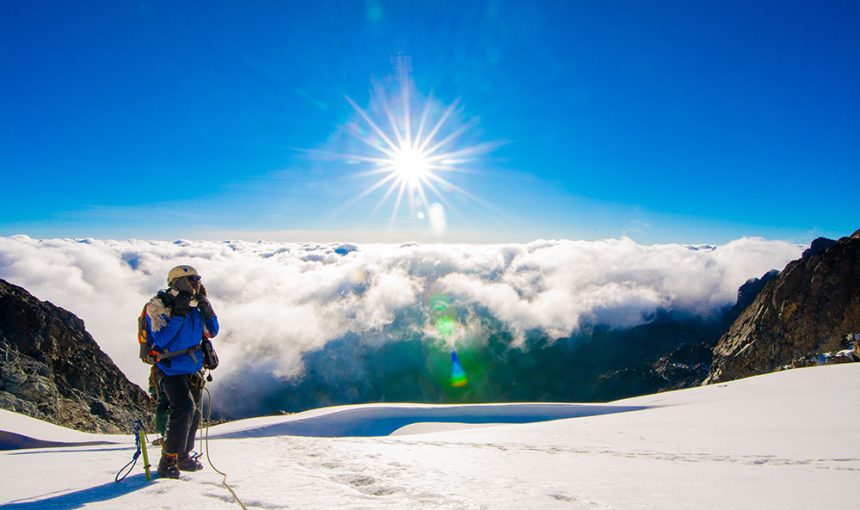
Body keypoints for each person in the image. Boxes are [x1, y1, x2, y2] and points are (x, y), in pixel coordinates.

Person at [145, 265, 219, 479]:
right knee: (184, 408)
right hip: (169, 369)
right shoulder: (158, 305)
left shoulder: (196, 304)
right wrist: (178, 314)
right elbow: (161, 340)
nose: (196, 282)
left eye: (197, 278)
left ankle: (183, 456)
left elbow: (212, 331)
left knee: (193, 411)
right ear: (177, 281)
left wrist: (208, 309)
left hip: (193, 367)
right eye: (191, 279)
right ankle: (168, 459)